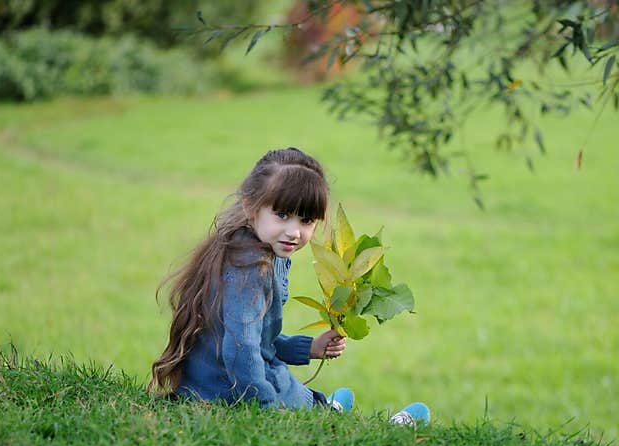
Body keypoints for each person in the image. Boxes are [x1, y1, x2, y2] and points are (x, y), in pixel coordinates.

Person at [148, 147, 429, 426]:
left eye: (306, 220)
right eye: (282, 215)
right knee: (309, 409)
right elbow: (241, 349)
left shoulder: (255, 247)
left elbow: (251, 334)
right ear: (251, 207)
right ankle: (374, 422)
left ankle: (322, 407)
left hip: (213, 381)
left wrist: (308, 348)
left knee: (298, 392)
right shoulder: (250, 268)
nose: (294, 232)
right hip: (230, 390)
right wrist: (267, 408)